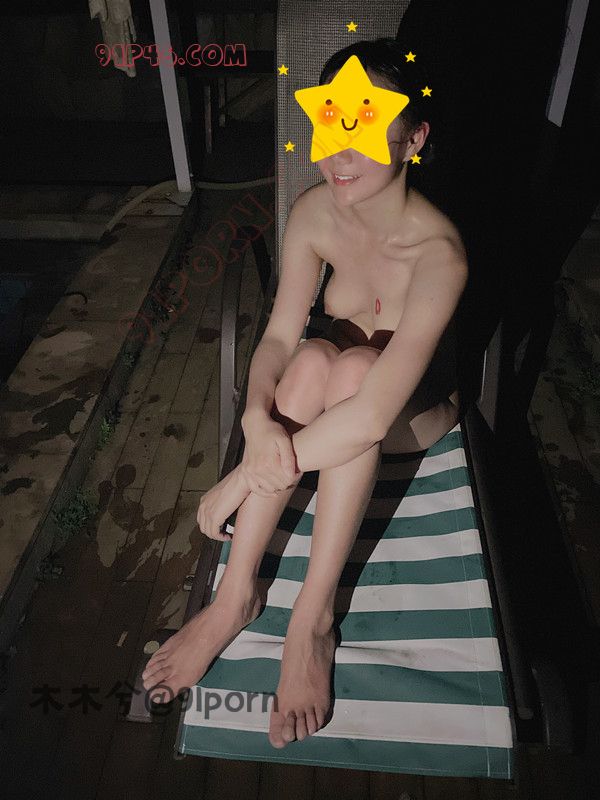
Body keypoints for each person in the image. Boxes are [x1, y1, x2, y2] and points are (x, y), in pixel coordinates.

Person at [142, 38, 468, 749]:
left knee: (353, 375)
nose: (338, 155)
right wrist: (258, 421)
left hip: (407, 413)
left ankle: (311, 620)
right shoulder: (318, 212)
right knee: (318, 358)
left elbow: (374, 415)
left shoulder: (438, 254)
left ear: (414, 139)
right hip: (334, 387)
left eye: (364, 130)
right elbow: (280, 336)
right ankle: (235, 596)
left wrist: (243, 477)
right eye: (329, 128)